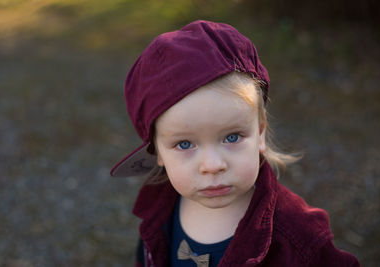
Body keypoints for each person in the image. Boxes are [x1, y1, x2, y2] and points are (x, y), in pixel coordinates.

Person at [110, 20, 360, 267]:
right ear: (158, 151)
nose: (212, 165)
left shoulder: (299, 236)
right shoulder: (160, 212)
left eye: (232, 137)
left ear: (260, 133)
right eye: (185, 144)